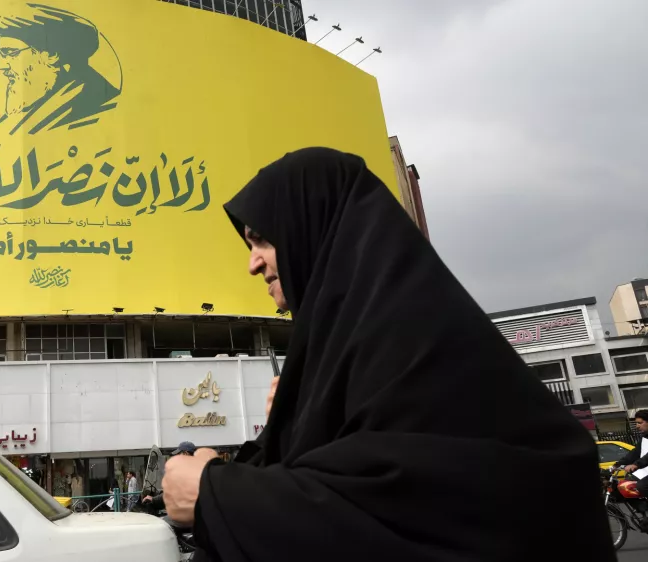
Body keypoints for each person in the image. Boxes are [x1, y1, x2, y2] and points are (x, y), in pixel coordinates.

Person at [161, 148, 615, 560]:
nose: (253, 263)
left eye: (262, 239)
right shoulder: (344, 350)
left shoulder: (416, 342)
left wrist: (214, 493)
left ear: (313, 228)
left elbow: (406, 509)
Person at [0, 4, 121, 136]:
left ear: (51, 55)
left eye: (11, 53)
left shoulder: (97, 105)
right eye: (0, 55)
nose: (1, 66)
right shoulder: (38, 103)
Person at [142, 442, 197, 512]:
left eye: (178, 454)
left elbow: (173, 494)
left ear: (186, 454)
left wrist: (153, 500)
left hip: (190, 513)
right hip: (192, 510)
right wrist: (159, 493)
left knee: (165, 521)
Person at [614, 410, 648, 497]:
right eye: (636, 423)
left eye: (640, 423)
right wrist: (616, 465)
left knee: (642, 486)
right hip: (644, 471)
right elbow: (634, 454)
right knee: (624, 485)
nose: (637, 426)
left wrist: (636, 465)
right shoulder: (643, 438)